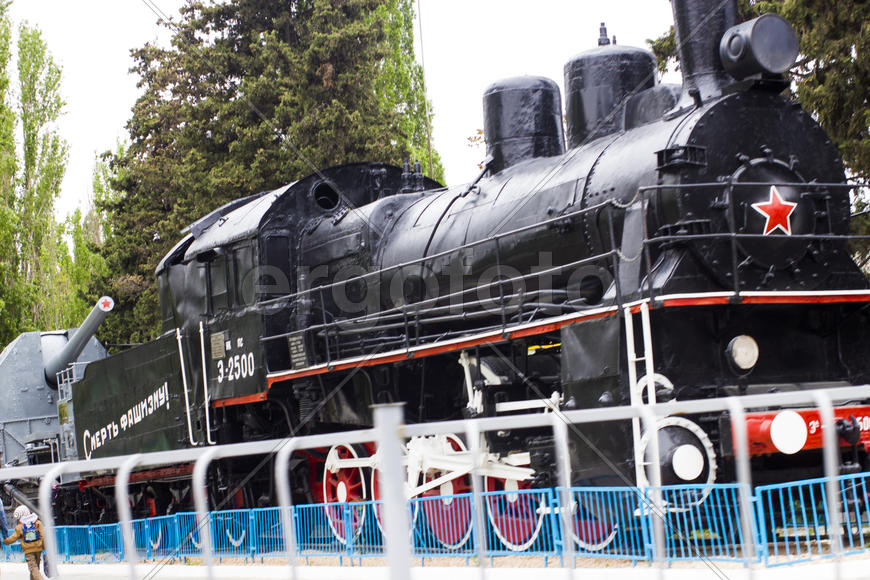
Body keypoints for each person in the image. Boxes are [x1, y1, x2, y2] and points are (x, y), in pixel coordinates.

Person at [3, 506, 45, 580]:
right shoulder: (37, 523)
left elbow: (13, 538)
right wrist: (44, 547)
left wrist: (5, 541)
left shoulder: (20, 527)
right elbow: (43, 536)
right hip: (38, 549)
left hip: (28, 551)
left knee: (33, 568)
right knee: (35, 568)